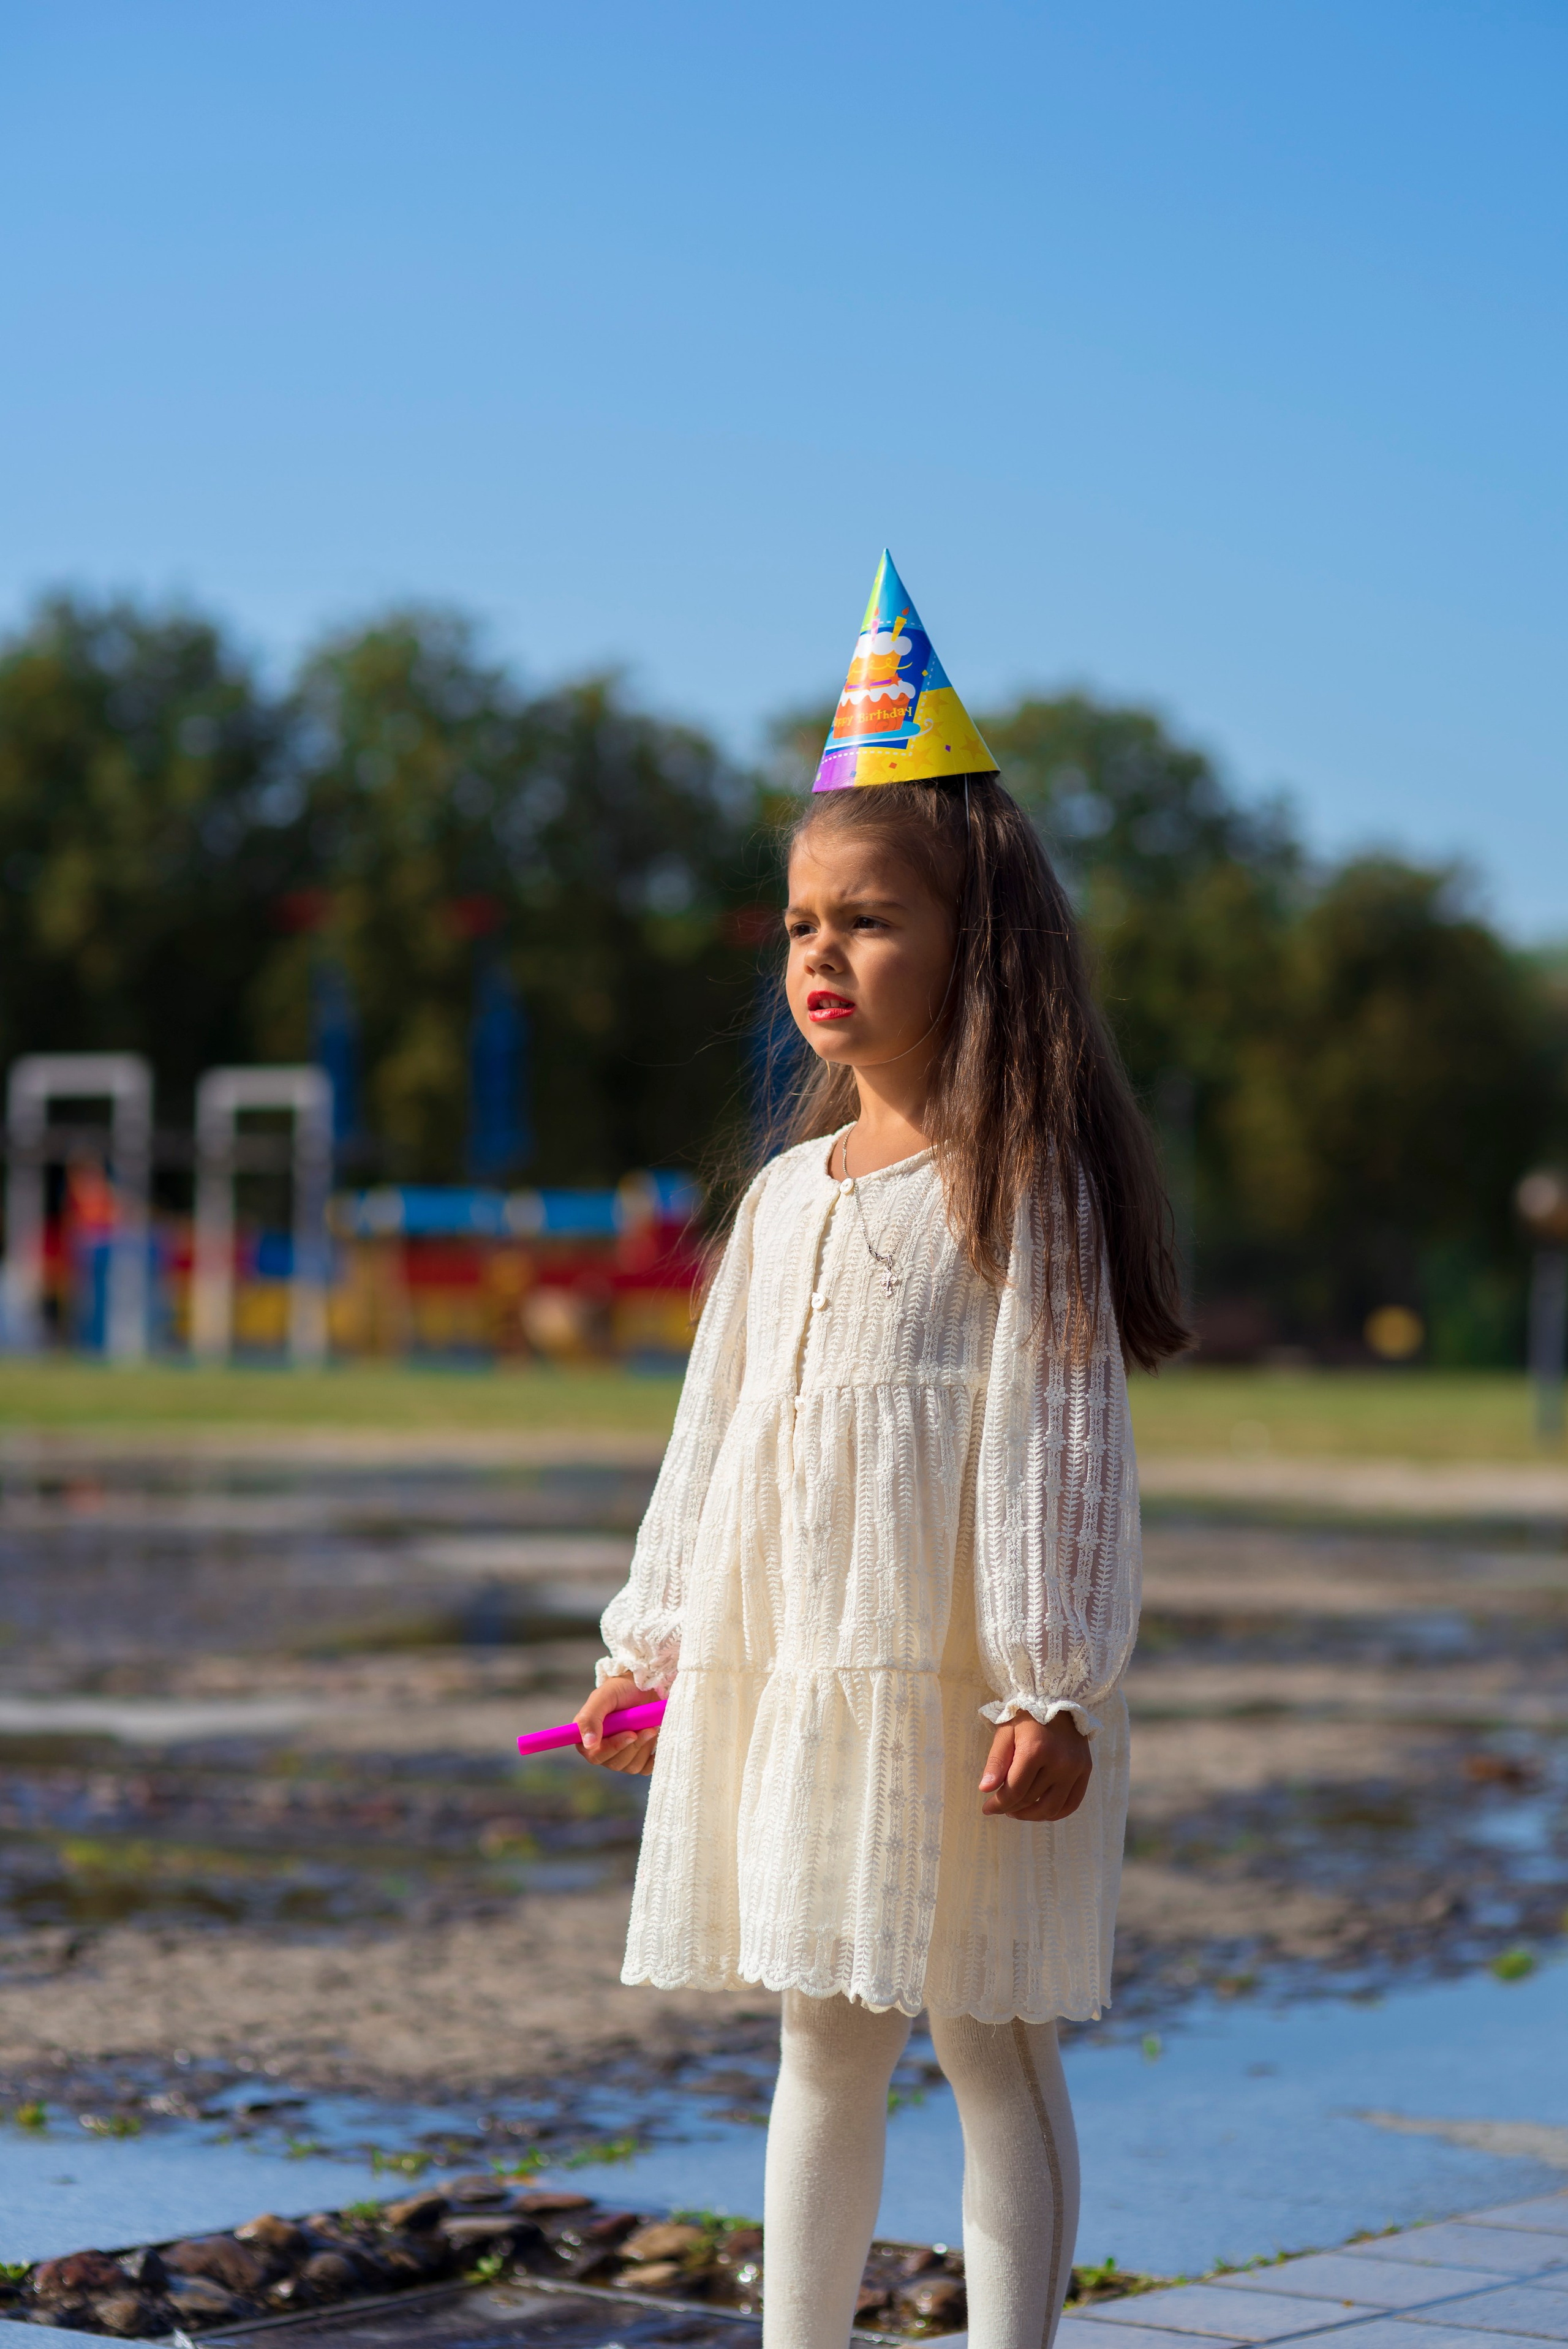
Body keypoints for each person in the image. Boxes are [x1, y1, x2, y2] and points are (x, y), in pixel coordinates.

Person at [574, 556, 1189, 2349]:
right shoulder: (781, 1201)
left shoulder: (1019, 1180)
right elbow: (719, 1444)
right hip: (813, 1682)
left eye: (867, 917)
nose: (821, 955)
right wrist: (655, 1646)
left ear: (975, 935)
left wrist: (1054, 1682)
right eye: (797, 925)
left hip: (971, 1691)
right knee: (821, 2035)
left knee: (988, 2034)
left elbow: (1057, 1442)